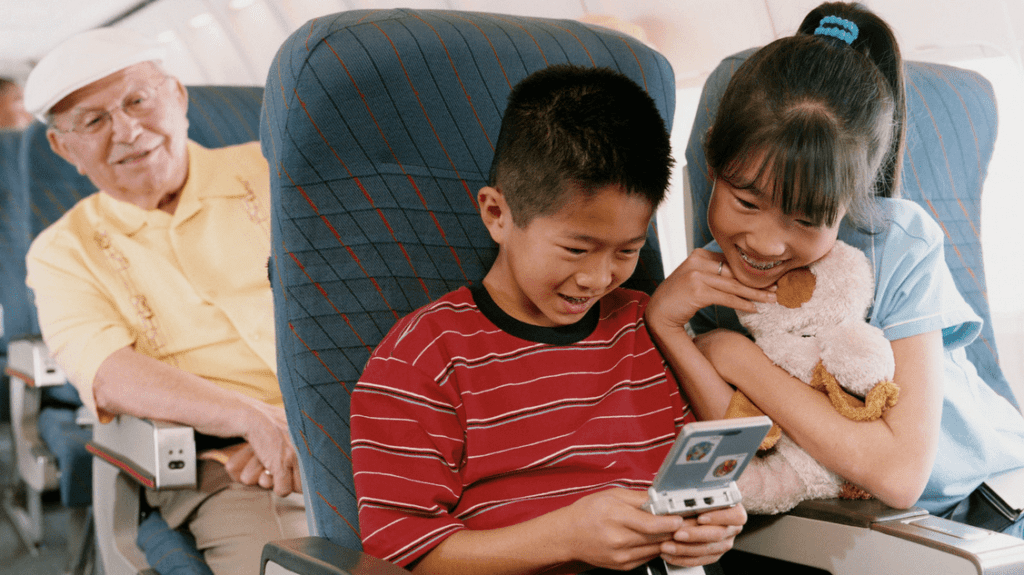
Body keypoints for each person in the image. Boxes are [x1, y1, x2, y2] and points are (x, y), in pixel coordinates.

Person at [646, 1, 1024, 537]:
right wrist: (668, 326)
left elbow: (899, 475)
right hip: (903, 535)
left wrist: (735, 357)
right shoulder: (708, 285)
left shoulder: (896, 244)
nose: (765, 243)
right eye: (746, 202)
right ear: (712, 166)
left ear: (848, 203)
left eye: (804, 219)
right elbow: (748, 450)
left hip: (996, 499)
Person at [350, 64, 747, 574]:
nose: (598, 277)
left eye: (627, 250)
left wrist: (712, 523)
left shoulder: (640, 329)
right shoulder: (424, 357)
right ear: (498, 215)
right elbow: (400, 552)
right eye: (576, 248)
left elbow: (688, 483)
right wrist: (565, 536)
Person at [22, 28, 307, 574]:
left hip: (364, 425)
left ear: (177, 97)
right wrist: (256, 421)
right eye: (93, 120)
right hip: (230, 468)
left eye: (137, 100)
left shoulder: (278, 171)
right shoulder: (61, 251)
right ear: (62, 147)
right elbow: (108, 372)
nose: (127, 130)